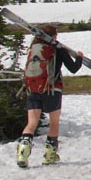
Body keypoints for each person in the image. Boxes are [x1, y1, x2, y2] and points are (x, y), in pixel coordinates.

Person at [16, 25, 83, 168]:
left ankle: (22, 152)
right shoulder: (58, 49)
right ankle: (49, 155)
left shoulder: (33, 49)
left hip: (33, 89)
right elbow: (73, 69)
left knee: (31, 124)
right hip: (52, 90)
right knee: (54, 123)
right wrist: (79, 58)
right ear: (53, 36)